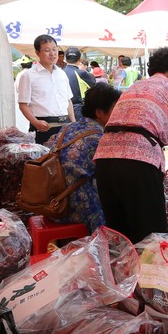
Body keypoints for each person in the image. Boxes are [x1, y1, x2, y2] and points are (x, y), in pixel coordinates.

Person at [94, 46, 168, 244]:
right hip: (137, 164)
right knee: (150, 240)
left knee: (121, 238)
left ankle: (122, 275)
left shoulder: (135, 87)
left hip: (104, 162)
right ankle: (146, 275)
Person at [45, 83, 121, 233]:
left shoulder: (69, 127)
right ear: (99, 112)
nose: (120, 113)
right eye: (116, 109)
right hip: (74, 208)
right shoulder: (99, 138)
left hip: (52, 201)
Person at [17, 34, 76, 144]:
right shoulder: (29, 75)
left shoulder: (62, 74)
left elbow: (68, 100)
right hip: (42, 126)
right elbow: (23, 104)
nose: (52, 54)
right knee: (43, 159)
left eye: (54, 49)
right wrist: (35, 122)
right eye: (47, 50)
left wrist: (73, 123)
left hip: (64, 126)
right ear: (37, 53)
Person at [63, 46, 96, 121]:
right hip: (77, 109)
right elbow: (94, 87)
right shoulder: (82, 73)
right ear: (79, 59)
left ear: (65, 59)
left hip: (61, 110)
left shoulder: (60, 72)